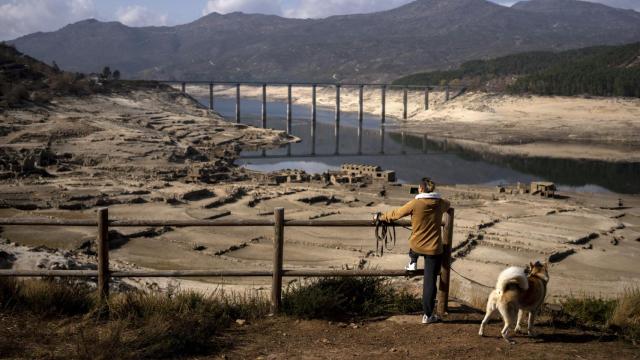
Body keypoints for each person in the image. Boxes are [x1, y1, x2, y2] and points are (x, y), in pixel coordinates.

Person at [377, 177, 450, 324]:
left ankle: (412, 262)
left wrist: (381, 217)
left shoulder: (415, 203)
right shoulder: (440, 203)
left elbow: (396, 214)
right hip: (434, 249)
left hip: (417, 246)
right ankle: (428, 315)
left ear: (421, 189)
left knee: (414, 241)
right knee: (430, 282)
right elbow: (448, 204)